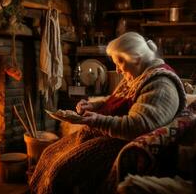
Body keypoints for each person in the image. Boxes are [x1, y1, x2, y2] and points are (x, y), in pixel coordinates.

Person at [29, 32, 187, 194]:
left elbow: (138, 126)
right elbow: (119, 102)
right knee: (50, 152)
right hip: (106, 134)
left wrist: (97, 120)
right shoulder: (138, 74)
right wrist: (94, 106)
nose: (117, 70)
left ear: (137, 58)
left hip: (120, 142)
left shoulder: (160, 85)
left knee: (61, 169)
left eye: (119, 63)